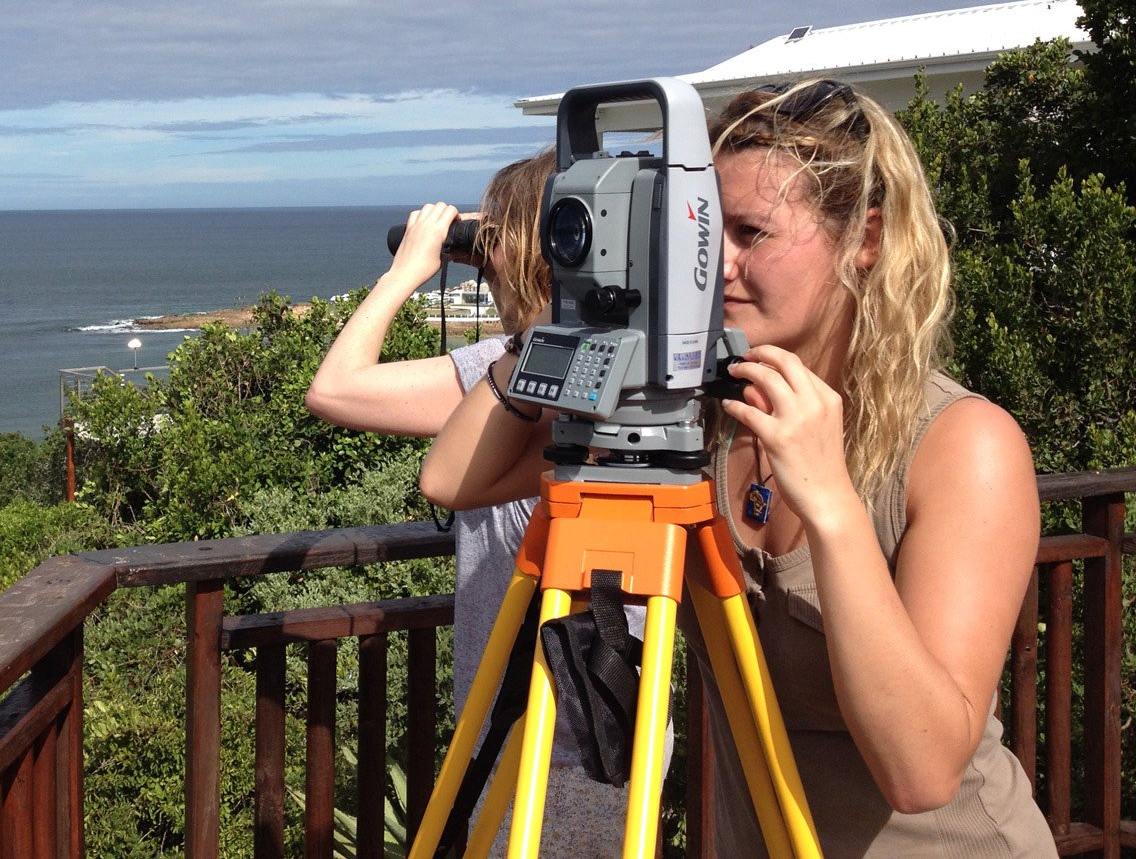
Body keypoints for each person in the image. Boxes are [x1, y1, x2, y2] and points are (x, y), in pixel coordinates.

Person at [418, 79, 1056, 856]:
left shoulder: (964, 445)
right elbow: (455, 481)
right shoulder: (700, 410)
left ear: (867, 238)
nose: (717, 264)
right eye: (707, 229)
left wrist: (831, 507)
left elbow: (922, 770)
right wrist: (564, 327)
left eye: (753, 233)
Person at [305, 148, 636, 857]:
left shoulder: (567, 377)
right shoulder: (499, 369)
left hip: (579, 725)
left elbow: (349, 399)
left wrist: (404, 274)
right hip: (506, 711)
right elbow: (332, 392)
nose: (483, 257)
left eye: (498, 234)